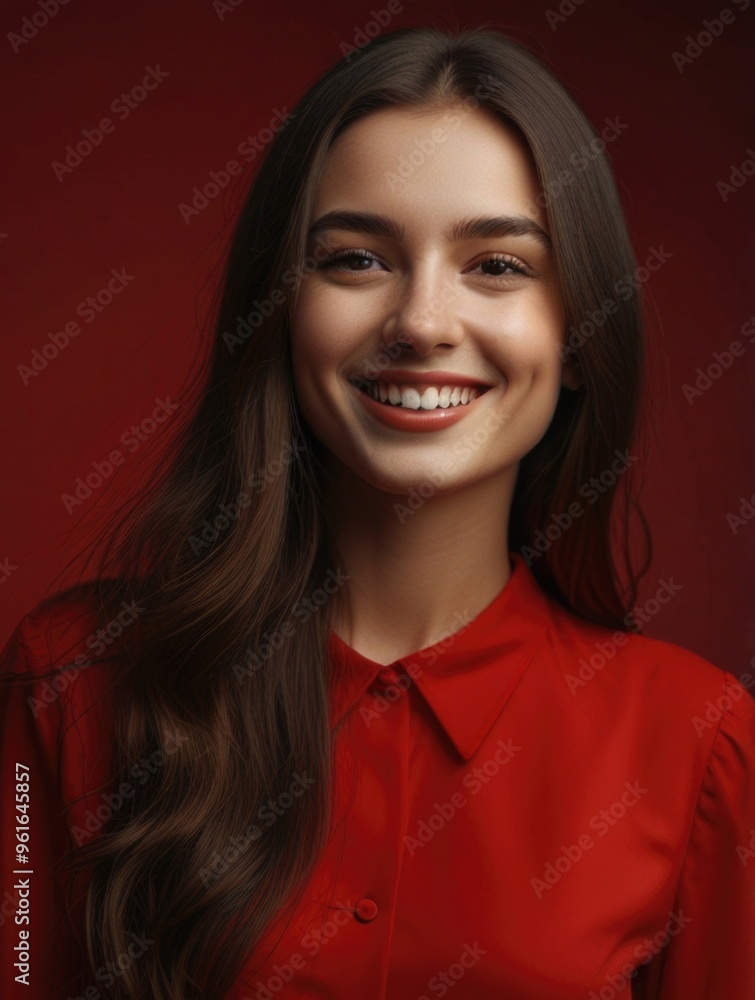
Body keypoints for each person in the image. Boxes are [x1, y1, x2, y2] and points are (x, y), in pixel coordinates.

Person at [1, 24, 753, 1000]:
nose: (422, 322)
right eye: (356, 259)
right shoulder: (72, 680)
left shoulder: (696, 743)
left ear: (576, 333)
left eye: (497, 265)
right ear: (278, 310)